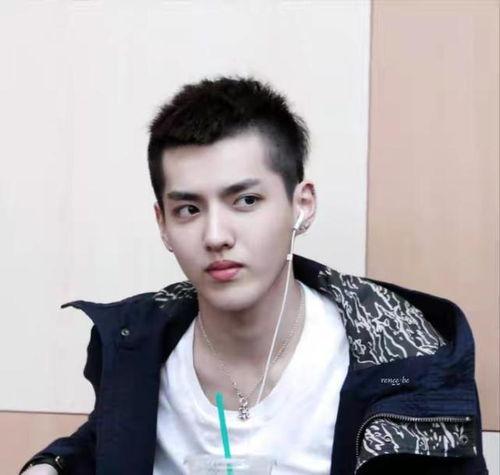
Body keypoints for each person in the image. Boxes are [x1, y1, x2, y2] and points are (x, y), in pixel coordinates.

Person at [20, 77, 488, 475]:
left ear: (301, 205)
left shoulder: (407, 359)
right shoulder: (137, 345)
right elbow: (104, 440)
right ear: (162, 224)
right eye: (188, 209)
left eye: (245, 201)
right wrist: (52, 465)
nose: (216, 236)